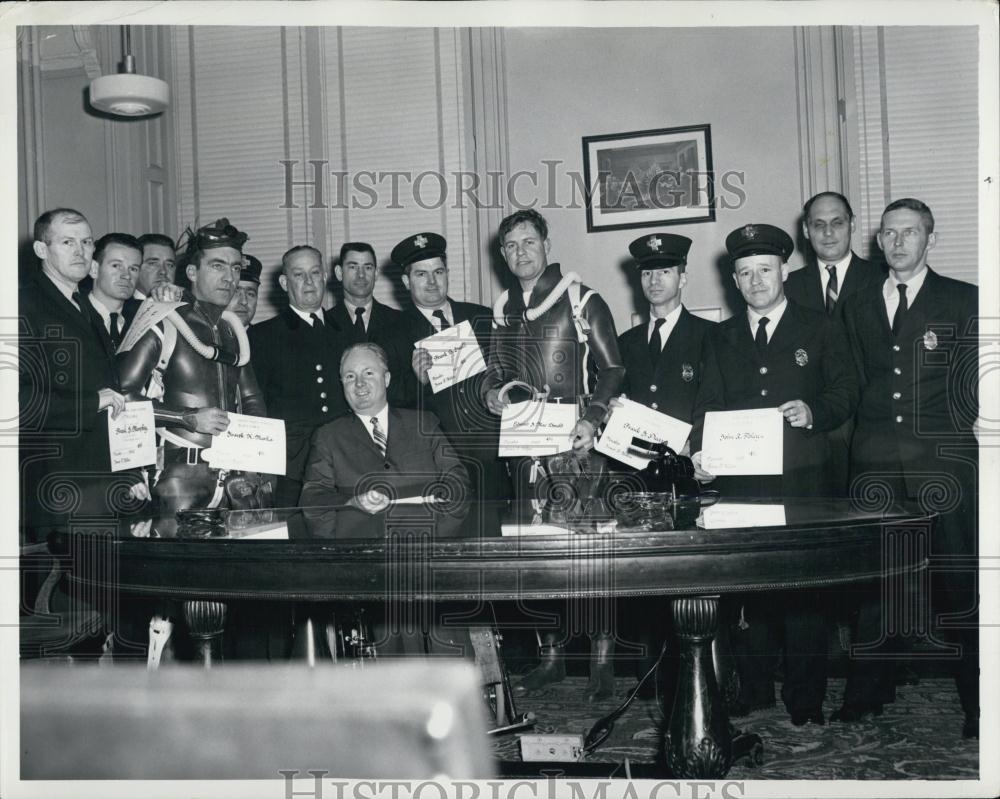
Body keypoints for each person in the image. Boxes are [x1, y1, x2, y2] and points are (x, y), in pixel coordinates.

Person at [691, 223, 859, 725]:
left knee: (804, 596)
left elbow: (847, 388)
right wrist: (702, 454)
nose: (756, 280)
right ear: (735, 282)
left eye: (764, 269)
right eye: (745, 273)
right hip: (743, 483)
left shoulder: (821, 326)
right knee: (751, 593)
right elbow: (709, 405)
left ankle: (805, 699)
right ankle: (756, 688)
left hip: (804, 476)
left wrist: (815, 411)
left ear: (783, 270)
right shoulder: (719, 337)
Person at [838, 198, 979, 739]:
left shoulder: (963, 299)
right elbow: (852, 383)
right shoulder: (857, 303)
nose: (898, 242)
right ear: (879, 240)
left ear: (930, 240)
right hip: (874, 466)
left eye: (911, 232)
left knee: (958, 585)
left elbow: (974, 389)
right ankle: (866, 693)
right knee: (877, 586)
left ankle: (978, 702)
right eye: (890, 233)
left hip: (943, 466)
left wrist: (941, 440)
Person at [485, 208, 625, 701]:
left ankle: (602, 661)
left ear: (546, 242)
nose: (521, 253)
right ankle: (551, 657)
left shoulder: (581, 299)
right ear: (502, 255)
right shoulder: (503, 310)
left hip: (578, 447)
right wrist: (494, 395)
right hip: (527, 451)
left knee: (592, 559)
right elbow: (495, 377)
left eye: (528, 242)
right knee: (538, 558)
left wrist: (593, 419)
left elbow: (612, 369)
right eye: (511, 247)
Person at [117, 218, 270, 527]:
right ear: (192, 272)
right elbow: (122, 397)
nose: (229, 278)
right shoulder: (163, 321)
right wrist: (187, 417)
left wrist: (257, 460)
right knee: (174, 572)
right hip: (179, 477)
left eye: (236, 268)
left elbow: (252, 400)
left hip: (233, 481)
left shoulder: (233, 331)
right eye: (217, 266)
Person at [616, 232, 716, 697]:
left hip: (690, 478)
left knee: (695, 584)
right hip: (638, 478)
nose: (656, 280)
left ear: (683, 278)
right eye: (648, 272)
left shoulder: (708, 336)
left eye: (665, 271)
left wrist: (700, 452)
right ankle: (651, 684)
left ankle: (704, 682)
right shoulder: (625, 342)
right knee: (645, 581)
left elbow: (713, 404)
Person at [19, 208, 129, 535]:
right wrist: (92, 402)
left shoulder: (83, 304)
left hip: (100, 482)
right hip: (58, 484)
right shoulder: (22, 305)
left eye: (87, 241)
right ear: (42, 250)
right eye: (67, 242)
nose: (80, 251)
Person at [300, 343, 469, 536]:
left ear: (386, 379)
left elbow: (458, 483)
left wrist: (439, 539)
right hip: (359, 554)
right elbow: (313, 499)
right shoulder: (328, 436)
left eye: (368, 373)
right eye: (350, 376)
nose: (359, 383)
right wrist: (349, 510)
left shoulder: (424, 423)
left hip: (425, 545)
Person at [392, 232, 509, 504]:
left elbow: (507, 369)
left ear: (448, 273)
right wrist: (416, 380)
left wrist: (499, 390)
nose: (432, 282)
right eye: (421, 274)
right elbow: (389, 406)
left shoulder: (482, 317)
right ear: (406, 281)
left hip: (492, 458)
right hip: (436, 464)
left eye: (438, 271)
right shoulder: (391, 333)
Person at [786, 191, 885, 493]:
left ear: (852, 224)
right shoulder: (787, 287)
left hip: (869, 430)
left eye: (837, 223)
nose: (828, 233)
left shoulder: (883, 280)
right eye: (818, 224)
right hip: (808, 433)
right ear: (805, 230)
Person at [249, 246, 349, 508]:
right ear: (284, 282)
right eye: (298, 274)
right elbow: (255, 408)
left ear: (325, 277)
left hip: (343, 461)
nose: (308, 282)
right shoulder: (264, 336)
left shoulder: (347, 331)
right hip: (292, 466)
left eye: (315, 273)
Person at [328, 241, 410, 405]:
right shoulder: (324, 324)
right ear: (339, 272)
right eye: (352, 267)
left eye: (367, 267)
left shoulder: (400, 322)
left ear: (376, 273)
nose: (361, 275)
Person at [86, 233, 143, 351]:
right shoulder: (74, 315)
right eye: (116, 265)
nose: (126, 275)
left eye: (133, 269)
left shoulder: (142, 317)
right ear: (94, 269)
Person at [135, 233, 177, 299]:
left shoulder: (185, 306)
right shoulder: (120, 307)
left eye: (169, 265)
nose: (163, 271)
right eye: (153, 263)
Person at [227, 254, 262, 329]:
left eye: (250, 294)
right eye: (235, 292)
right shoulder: (199, 338)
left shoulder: (269, 339)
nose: (244, 301)